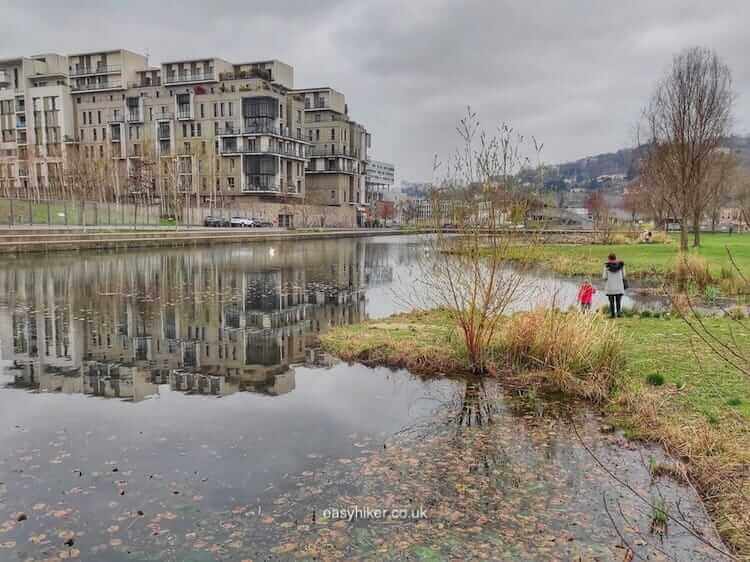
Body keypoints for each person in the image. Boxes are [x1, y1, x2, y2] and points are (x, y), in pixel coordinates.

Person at [602, 253, 625, 318]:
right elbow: (624, 276)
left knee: (611, 302)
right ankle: (619, 314)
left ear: (609, 258)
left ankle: (612, 315)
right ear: (615, 258)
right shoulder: (621, 265)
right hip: (619, 286)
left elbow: (604, 277)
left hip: (610, 287)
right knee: (618, 301)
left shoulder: (606, 266)